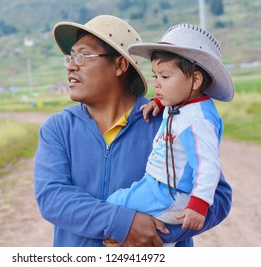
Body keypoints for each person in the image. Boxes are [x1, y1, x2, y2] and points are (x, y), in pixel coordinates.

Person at [34, 15, 232, 247]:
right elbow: (53, 198)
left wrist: (156, 235)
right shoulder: (59, 128)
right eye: (70, 57)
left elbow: (218, 197)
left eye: (83, 56)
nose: (71, 65)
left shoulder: (167, 120)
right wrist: (123, 223)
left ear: (120, 65)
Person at [106, 23, 234, 246]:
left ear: (195, 80)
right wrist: (159, 102)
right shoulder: (183, 106)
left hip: (169, 192)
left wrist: (199, 204)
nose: (156, 84)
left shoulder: (198, 121)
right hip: (158, 187)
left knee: (114, 204)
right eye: (155, 76)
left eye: (165, 77)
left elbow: (207, 164)